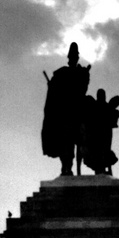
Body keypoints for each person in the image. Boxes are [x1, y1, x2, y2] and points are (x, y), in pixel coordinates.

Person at [41, 43, 90, 175]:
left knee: (77, 141)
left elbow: (83, 90)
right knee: (66, 142)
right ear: (69, 57)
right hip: (65, 114)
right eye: (72, 56)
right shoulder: (61, 73)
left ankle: (71, 167)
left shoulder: (81, 73)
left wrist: (85, 75)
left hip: (77, 113)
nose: (74, 58)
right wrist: (52, 86)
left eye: (75, 56)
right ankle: (66, 167)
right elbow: (54, 93)